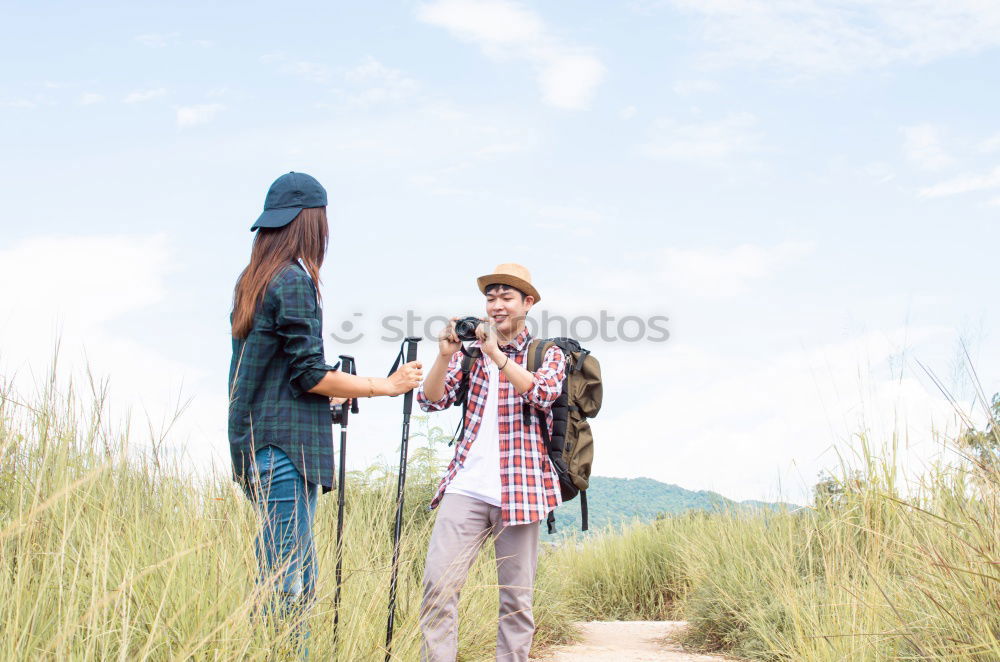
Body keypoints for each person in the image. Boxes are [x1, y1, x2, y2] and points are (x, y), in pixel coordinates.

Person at [227, 171, 423, 642]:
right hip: (286, 453)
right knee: (288, 584)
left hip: (258, 444)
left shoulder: (253, 280)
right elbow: (310, 372)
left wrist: (335, 390)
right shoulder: (294, 281)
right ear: (312, 222)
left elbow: (283, 373)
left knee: (290, 577)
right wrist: (386, 384)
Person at [416, 263, 567, 662]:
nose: (496, 305)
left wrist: (497, 355)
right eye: (491, 298)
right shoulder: (470, 355)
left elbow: (543, 393)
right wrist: (444, 356)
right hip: (465, 486)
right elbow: (431, 399)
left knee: (516, 602)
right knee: (438, 588)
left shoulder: (547, 352)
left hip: (522, 491)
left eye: (506, 297)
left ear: (528, 303)